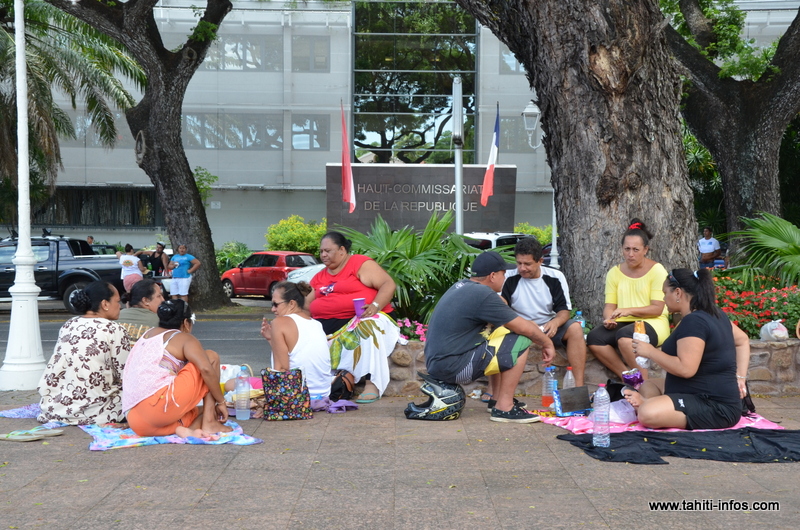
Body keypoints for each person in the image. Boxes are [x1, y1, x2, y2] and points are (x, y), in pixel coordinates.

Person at [424, 251, 556, 423]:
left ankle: (496, 399)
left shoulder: (464, 286)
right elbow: (524, 329)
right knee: (520, 340)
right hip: (453, 368)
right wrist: (547, 343)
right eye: (503, 274)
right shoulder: (483, 295)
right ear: (493, 276)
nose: (505, 278)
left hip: (440, 365)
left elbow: (506, 319)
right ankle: (504, 408)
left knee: (502, 333)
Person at [622, 268, 750, 429]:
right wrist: (740, 378)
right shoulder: (713, 314)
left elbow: (685, 369)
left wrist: (649, 351)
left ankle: (648, 405)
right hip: (692, 392)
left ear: (677, 293)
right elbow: (743, 340)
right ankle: (653, 404)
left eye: (665, 292)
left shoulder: (694, 322)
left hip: (715, 406)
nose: (663, 298)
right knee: (647, 385)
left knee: (647, 413)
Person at [308, 231, 399, 403]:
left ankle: (372, 383)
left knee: (368, 326)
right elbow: (305, 304)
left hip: (365, 317)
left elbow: (388, 284)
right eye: (321, 251)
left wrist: (375, 305)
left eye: (328, 250)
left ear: (342, 250)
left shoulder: (358, 263)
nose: (323, 255)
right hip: (328, 325)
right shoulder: (320, 276)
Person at [123, 300, 231, 439]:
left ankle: (190, 429)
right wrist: (221, 401)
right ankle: (209, 423)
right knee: (210, 357)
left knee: (199, 410)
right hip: (157, 407)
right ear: (186, 323)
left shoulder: (147, 334)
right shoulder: (182, 337)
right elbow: (206, 369)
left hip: (136, 421)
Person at [37, 281, 131, 425]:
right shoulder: (114, 329)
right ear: (105, 304)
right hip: (96, 411)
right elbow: (126, 374)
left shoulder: (69, 324)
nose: (120, 306)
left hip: (55, 407)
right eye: (117, 302)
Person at [587, 219, 670, 380]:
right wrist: (609, 318)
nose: (630, 254)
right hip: (625, 322)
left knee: (626, 337)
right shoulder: (614, 272)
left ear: (646, 249)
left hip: (653, 322)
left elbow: (657, 308)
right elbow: (609, 305)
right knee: (594, 338)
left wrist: (628, 310)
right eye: (627, 249)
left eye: (635, 249)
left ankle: (645, 385)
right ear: (622, 249)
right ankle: (629, 378)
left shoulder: (657, 270)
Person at [501, 237, 587, 386]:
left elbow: (564, 311)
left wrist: (555, 322)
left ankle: (578, 387)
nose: (522, 268)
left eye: (527, 264)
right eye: (519, 263)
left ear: (540, 261)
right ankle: (495, 391)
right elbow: (501, 310)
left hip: (548, 327)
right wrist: (524, 324)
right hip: (519, 327)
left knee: (575, 329)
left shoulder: (555, 277)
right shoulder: (508, 277)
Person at [260, 281, 332, 399]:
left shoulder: (279, 322)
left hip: (297, 399)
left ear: (292, 304)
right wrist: (271, 339)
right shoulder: (316, 324)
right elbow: (296, 354)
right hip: (323, 395)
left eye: (276, 304)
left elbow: (281, 371)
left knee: (232, 384)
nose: (273, 309)